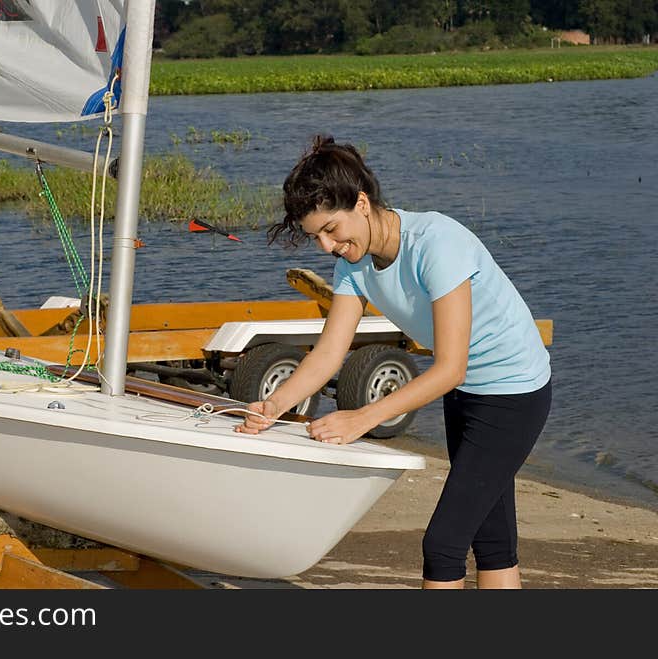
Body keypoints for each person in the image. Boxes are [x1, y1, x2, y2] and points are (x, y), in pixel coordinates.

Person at [235, 135, 551, 589]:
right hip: (466, 396)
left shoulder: (436, 243)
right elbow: (328, 353)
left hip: (514, 392)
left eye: (331, 229)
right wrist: (275, 404)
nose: (327, 246)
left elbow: (449, 367)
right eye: (316, 237)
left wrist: (363, 417)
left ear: (361, 203)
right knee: (492, 539)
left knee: (443, 544)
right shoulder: (354, 263)